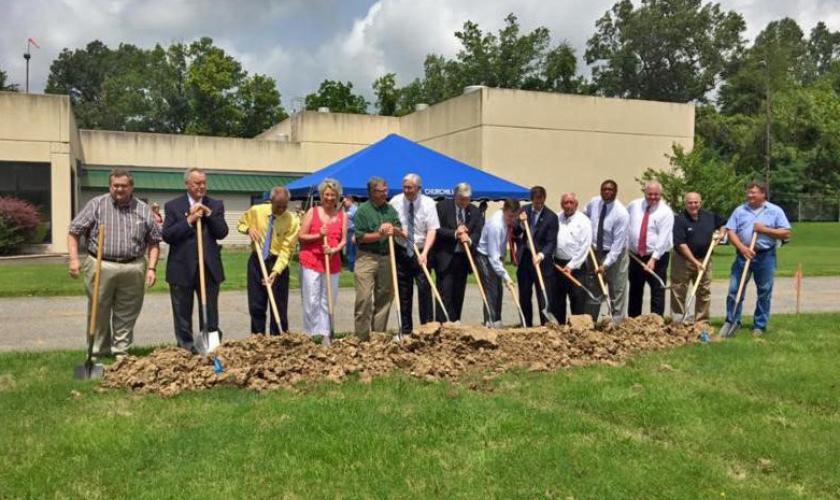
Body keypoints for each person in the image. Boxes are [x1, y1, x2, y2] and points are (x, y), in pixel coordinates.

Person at [67, 168, 161, 360]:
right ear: (110, 186)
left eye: (123, 186)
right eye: (115, 185)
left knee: (127, 311)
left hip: (133, 266)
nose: (119, 189)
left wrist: (152, 268)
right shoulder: (97, 204)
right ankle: (97, 352)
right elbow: (74, 231)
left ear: (131, 187)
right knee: (98, 309)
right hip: (101, 265)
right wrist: (74, 260)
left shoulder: (143, 209)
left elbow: (154, 241)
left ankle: (121, 352)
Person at [162, 167, 229, 352]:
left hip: (208, 268)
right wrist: (189, 220)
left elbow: (222, 232)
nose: (201, 186)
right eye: (197, 183)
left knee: (210, 311)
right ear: (187, 184)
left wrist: (208, 214)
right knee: (182, 313)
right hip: (181, 268)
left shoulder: (215, 205)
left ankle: (210, 347)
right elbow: (167, 235)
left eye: (204, 183)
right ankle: (186, 348)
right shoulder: (173, 206)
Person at [721, 181, 792, 337]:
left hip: (765, 256)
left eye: (753, 192)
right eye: (748, 192)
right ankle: (732, 321)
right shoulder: (740, 210)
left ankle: (759, 325)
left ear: (763, 194)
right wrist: (742, 248)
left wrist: (764, 230)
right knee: (734, 290)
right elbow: (730, 231)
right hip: (742, 255)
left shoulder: (775, 211)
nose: (749, 195)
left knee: (764, 291)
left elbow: (786, 233)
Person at [237, 186, 299, 336]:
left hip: (278, 263)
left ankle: (278, 340)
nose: (282, 209)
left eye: (285, 206)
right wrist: (249, 229)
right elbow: (241, 224)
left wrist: (275, 272)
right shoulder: (256, 211)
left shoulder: (293, 221)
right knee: (256, 305)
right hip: (257, 260)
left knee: (279, 306)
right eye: (278, 206)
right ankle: (258, 338)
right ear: (271, 201)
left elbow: (287, 250)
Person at [390, 173, 440, 334]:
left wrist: (425, 252)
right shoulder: (395, 201)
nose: (407, 190)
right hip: (402, 249)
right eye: (405, 187)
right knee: (404, 291)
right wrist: (398, 231)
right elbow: (390, 224)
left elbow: (432, 230)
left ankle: (427, 330)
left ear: (418, 188)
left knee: (424, 290)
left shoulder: (428, 203)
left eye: (410, 188)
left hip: (422, 250)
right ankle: (405, 331)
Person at [298, 179, 347, 343]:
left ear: (337, 196)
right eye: (327, 194)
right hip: (312, 260)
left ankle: (326, 334)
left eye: (333, 195)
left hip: (332, 262)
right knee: (311, 299)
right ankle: (310, 334)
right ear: (321, 195)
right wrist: (319, 235)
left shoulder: (342, 215)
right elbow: (301, 236)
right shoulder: (312, 212)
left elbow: (343, 240)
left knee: (328, 299)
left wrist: (334, 249)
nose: (329, 198)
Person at [353, 177, 402, 339]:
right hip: (366, 258)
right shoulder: (363, 210)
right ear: (372, 192)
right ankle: (361, 338)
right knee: (364, 298)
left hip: (387, 257)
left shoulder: (390, 210)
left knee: (385, 298)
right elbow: (360, 237)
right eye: (381, 191)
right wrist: (380, 234)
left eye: (386, 190)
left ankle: (378, 337)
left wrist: (393, 229)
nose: (385, 194)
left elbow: (400, 231)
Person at [670, 192, 725, 325]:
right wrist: (694, 262)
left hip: (704, 259)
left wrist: (721, 234)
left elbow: (724, 223)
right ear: (685, 204)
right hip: (682, 260)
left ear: (700, 203)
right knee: (679, 289)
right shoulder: (679, 220)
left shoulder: (709, 216)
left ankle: (702, 321)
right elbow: (681, 245)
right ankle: (679, 320)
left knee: (703, 290)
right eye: (690, 203)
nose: (693, 205)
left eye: (696, 202)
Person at [433, 182, 483, 323]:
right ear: (455, 195)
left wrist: (469, 240)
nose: (464, 202)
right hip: (445, 258)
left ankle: (455, 322)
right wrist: (455, 233)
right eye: (461, 199)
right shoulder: (442, 207)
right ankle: (442, 324)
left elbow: (478, 231)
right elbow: (436, 229)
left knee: (458, 293)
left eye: (467, 199)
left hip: (463, 258)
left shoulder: (475, 211)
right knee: (445, 292)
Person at [583, 179, 630, 323]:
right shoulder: (594, 202)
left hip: (615, 254)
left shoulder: (621, 214)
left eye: (610, 190)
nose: (607, 192)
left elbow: (617, 245)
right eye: (604, 189)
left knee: (616, 289)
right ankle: (590, 322)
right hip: (595, 252)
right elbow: (584, 215)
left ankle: (616, 323)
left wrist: (605, 264)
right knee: (593, 288)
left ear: (616, 192)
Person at [626, 180, 674, 317]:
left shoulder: (666, 212)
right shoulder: (634, 205)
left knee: (657, 289)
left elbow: (663, 238)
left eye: (656, 194)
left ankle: (655, 321)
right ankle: (633, 320)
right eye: (650, 194)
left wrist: (653, 259)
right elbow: (626, 223)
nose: (653, 197)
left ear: (661, 194)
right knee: (635, 289)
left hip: (658, 256)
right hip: (636, 255)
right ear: (644, 192)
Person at [513, 186, 558, 326]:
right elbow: (514, 231)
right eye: (536, 201)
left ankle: (544, 325)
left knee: (542, 296)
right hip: (525, 259)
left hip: (541, 262)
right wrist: (521, 224)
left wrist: (541, 255)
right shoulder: (523, 211)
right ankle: (526, 325)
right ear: (531, 199)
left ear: (544, 199)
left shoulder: (551, 217)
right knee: (525, 295)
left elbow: (551, 242)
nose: (538, 204)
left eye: (541, 201)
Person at [475, 198, 520, 327]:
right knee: (491, 290)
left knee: (498, 290)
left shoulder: (508, 220)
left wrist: (502, 262)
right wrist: (506, 276)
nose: (512, 219)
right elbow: (493, 256)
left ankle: (497, 321)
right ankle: (489, 322)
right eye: (510, 216)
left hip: (497, 256)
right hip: (484, 256)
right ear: (504, 210)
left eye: (514, 216)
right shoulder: (496, 225)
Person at [552, 193, 592, 324]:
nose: (568, 206)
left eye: (571, 202)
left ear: (576, 204)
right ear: (561, 204)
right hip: (558, 265)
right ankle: (560, 328)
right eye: (565, 203)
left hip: (576, 267)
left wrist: (571, 265)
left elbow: (584, 247)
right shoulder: (556, 218)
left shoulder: (584, 221)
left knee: (577, 299)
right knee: (557, 300)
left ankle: (577, 329)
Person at [343, 194, 358, 271]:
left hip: (352, 232)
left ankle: (351, 268)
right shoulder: (348, 209)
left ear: (350, 200)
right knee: (349, 250)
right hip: (348, 232)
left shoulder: (355, 210)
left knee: (352, 250)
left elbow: (358, 223)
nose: (344, 203)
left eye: (345, 201)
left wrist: (355, 234)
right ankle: (351, 266)